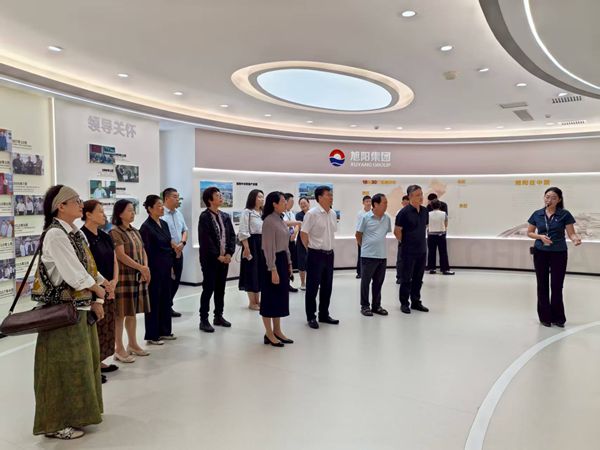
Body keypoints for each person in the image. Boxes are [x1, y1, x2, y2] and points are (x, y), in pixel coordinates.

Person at [31, 185, 109, 440]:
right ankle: (56, 423)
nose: (80, 204)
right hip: (61, 314)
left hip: (78, 309)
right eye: (75, 201)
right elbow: (74, 274)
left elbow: (87, 266)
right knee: (60, 368)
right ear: (60, 206)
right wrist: (97, 289)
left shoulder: (74, 232)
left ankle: (78, 415)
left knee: (81, 364)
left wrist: (101, 284)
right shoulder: (56, 234)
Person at [527, 187, 582, 327]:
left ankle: (558, 318)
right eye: (547, 197)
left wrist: (575, 239)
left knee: (557, 285)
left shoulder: (565, 214)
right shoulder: (537, 214)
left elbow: (571, 233)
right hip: (540, 252)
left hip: (559, 252)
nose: (549, 200)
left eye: (553, 198)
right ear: (544, 198)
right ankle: (545, 317)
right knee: (542, 284)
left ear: (559, 200)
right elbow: (530, 232)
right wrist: (540, 237)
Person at [81, 200, 120, 383]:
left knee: (107, 326)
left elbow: (114, 260)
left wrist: (114, 282)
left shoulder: (105, 236)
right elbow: (87, 266)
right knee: (94, 327)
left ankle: (100, 360)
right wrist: (103, 284)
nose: (104, 215)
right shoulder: (82, 237)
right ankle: (92, 366)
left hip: (108, 288)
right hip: (93, 288)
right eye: (100, 211)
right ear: (88, 214)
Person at [110, 199, 152, 362]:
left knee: (132, 312)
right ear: (120, 213)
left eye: (133, 210)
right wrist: (140, 267)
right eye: (129, 210)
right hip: (124, 277)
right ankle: (119, 348)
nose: (133, 212)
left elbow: (143, 250)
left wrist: (145, 267)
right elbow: (120, 255)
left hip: (136, 276)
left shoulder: (135, 231)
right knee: (120, 314)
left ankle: (133, 344)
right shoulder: (115, 232)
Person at [197, 186, 235, 333]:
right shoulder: (204, 217)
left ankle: (218, 316)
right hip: (210, 260)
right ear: (209, 199)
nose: (221, 197)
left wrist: (229, 253)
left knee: (221, 289)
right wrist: (217, 256)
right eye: (217, 195)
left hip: (224, 259)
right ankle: (203, 319)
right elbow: (205, 240)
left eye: (220, 195)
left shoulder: (225, 216)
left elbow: (231, 236)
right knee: (208, 289)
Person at [301, 185, 339, 329]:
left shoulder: (333, 213)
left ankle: (324, 314)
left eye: (331, 195)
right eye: (328, 195)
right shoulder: (312, 214)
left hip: (329, 254)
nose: (331, 197)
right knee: (312, 287)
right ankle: (311, 316)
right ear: (319, 197)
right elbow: (304, 234)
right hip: (315, 254)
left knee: (327, 286)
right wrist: (310, 249)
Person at [260, 191, 294, 347]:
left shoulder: (280, 219)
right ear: (274, 204)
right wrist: (272, 269)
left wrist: (289, 263)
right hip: (271, 262)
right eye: (283, 201)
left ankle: (277, 330)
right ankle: (269, 333)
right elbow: (268, 248)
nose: (286, 203)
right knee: (270, 297)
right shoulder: (268, 221)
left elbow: (285, 244)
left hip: (281, 260)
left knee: (280, 297)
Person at [140, 195, 175, 344]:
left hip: (166, 266)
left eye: (162, 205)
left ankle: (165, 331)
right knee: (154, 301)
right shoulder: (146, 227)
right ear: (150, 208)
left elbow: (168, 243)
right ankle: (152, 335)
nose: (162, 208)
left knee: (166, 299)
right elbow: (146, 251)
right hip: (154, 268)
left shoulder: (164, 223)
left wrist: (171, 266)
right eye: (159, 205)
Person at [395, 185, 429, 315]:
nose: (421, 197)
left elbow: (424, 226)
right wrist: (405, 243)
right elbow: (397, 231)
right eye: (418, 195)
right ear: (410, 197)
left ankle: (416, 301)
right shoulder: (403, 213)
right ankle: (404, 303)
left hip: (422, 250)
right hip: (408, 251)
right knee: (406, 278)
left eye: (421, 194)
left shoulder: (425, 211)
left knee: (418, 278)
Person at [356, 193, 391, 317]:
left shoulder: (387, 219)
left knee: (378, 282)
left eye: (386, 203)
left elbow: (384, 234)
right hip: (368, 256)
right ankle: (365, 306)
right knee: (365, 282)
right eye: (384, 203)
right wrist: (365, 247)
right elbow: (358, 234)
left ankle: (376, 306)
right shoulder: (365, 217)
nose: (386, 205)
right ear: (375, 204)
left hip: (382, 255)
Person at [162, 188, 188, 318]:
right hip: (167, 253)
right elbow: (163, 234)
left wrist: (182, 243)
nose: (177, 199)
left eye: (178, 197)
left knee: (176, 281)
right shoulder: (161, 214)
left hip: (179, 251)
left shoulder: (179, 213)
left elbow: (185, 230)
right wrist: (174, 246)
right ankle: (165, 307)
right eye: (175, 197)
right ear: (166, 198)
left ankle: (168, 305)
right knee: (167, 281)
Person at [238, 189, 265, 310]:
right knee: (251, 271)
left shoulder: (263, 213)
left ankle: (257, 301)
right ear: (253, 198)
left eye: (262, 197)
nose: (262, 199)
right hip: (251, 244)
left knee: (259, 272)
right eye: (259, 197)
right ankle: (252, 302)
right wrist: (247, 248)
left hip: (262, 244)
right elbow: (243, 231)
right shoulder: (247, 212)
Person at [426, 199, 455, 275]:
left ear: (431, 206)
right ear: (439, 205)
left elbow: (426, 224)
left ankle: (432, 268)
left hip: (431, 235)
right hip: (441, 235)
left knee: (431, 252)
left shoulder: (428, 214)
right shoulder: (443, 213)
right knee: (443, 252)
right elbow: (446, 224)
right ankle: (444, 269)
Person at [282, 193, 300, 293]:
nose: (292, 203)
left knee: (290, 262)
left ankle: (288, 283)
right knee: (284, 262)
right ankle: (283, 284)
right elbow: (284, 224)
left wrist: (295, 233)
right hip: (283, 240)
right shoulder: (281, 213)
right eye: (291, 201)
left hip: (292, 240)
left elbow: (296, 225)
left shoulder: (291, 213)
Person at [295, 196, 310, 290]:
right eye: (301, 204)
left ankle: (312, 282)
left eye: (304, 203)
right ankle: (303, 283)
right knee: (302, 263)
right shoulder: (298, 215)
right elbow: (302, 227)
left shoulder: (313, 213)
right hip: (301, 241)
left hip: (312, 241)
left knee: (312, 263)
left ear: (309, 203)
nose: (303, 205)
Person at [355, 195, 372, 279]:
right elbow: (358, 227)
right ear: (363, 203)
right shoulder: (360, 213)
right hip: (362, 237)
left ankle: (369, 272)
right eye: (367, 201)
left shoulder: (373, 213)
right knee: (361, 255)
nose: (368, 203)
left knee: (370, 256)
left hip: (370, 237)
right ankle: (359, 272)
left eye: (370, 201)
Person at [396, 195, 409, 284]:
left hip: (413, 239)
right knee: (401, 259)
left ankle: (411, 277)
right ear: (402, 203)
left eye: (408, 201)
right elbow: (397, 228)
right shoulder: (399, 212)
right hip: (402, 238)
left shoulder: (415, 212)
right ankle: (399, 277)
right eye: (405, 202)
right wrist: (400, 239)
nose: (406, 203)